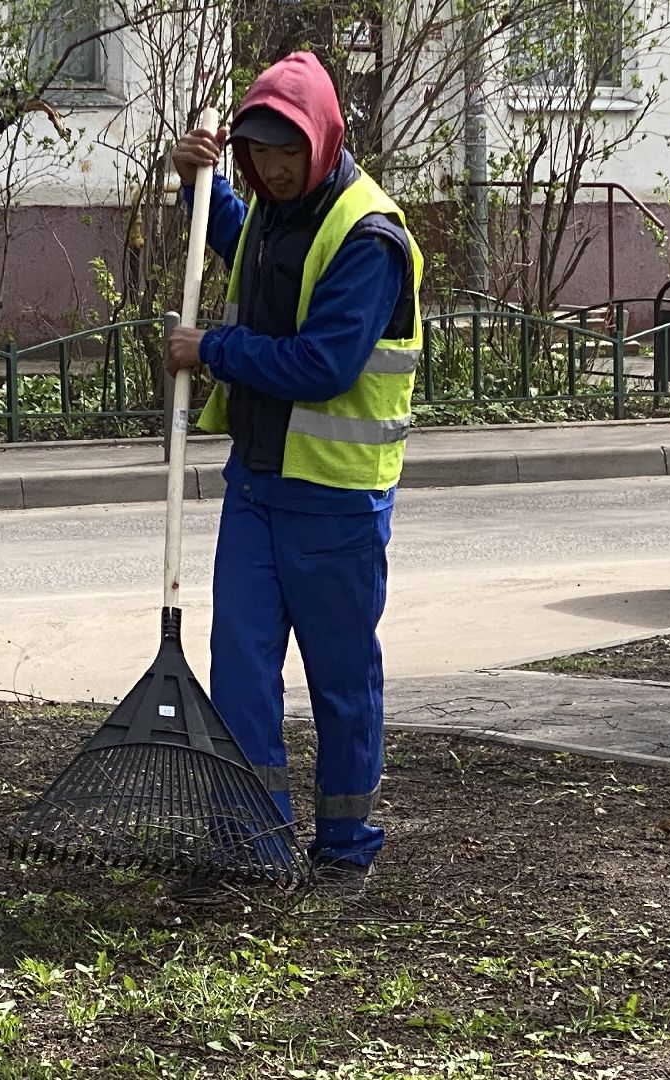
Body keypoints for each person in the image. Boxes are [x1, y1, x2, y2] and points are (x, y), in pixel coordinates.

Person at [166, 51, 424, 890]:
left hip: (338, 502)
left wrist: (212, 350)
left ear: (321, 141)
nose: (271, 169)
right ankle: (254, 846)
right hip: (258, 485)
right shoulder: (277, 211)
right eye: (256, 155)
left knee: (342, 678)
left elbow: (324, 364)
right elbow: (249, 250)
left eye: (285, 153)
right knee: (239, 667)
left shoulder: (371, 237)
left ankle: (346, 851)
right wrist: (200, 186)